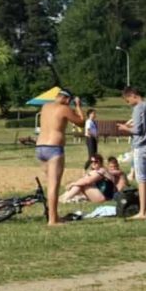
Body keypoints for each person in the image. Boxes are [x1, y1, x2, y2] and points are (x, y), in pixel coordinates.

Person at [36, 88, 85, 225]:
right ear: (67, 99)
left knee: (49, 183)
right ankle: (53, 220)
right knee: (54, 185)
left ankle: (54, 216)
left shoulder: (45, 106)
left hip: (40, 147)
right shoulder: (64, 109)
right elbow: (81, 122)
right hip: (54, 148)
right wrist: (78, 106)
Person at [118, 86, 146, 219]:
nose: (127, 102)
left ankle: (142, 212)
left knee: (141, 179)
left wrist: (125, 128)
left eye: (127, 99)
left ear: (133, 95)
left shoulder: (138, 108)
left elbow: (139, 131)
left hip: (141, 147)